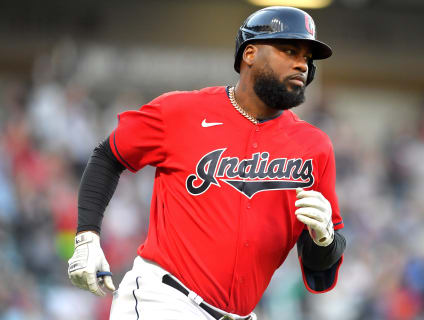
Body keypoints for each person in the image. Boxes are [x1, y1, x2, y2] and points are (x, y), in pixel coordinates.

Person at [68, 6, 346, 320]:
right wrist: (87, 236)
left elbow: (319, 271)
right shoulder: (181, 111)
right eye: (289, 50)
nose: (301, 64)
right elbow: (109, 155)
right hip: (164, 301)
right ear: (250, 54)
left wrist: (324, 240)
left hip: (240, 314)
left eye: (308, 58)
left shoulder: (314, 146)